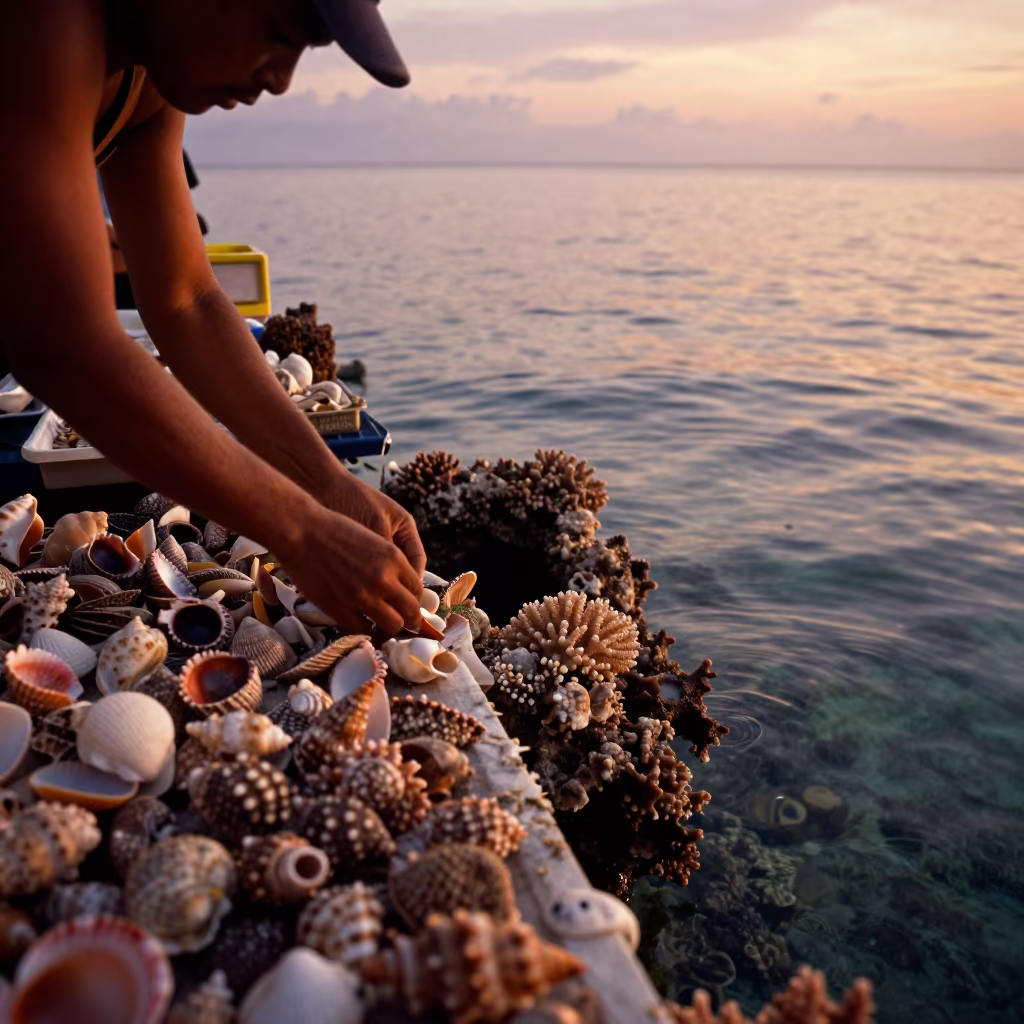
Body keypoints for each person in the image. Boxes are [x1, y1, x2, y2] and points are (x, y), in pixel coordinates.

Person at [0, 0, 425, 636]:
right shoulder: (44, 24)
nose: (281, 79)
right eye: (280, 34)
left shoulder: (144, 79)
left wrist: (329, 483)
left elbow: (185, 301)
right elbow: (66, 346)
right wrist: (302, 531)